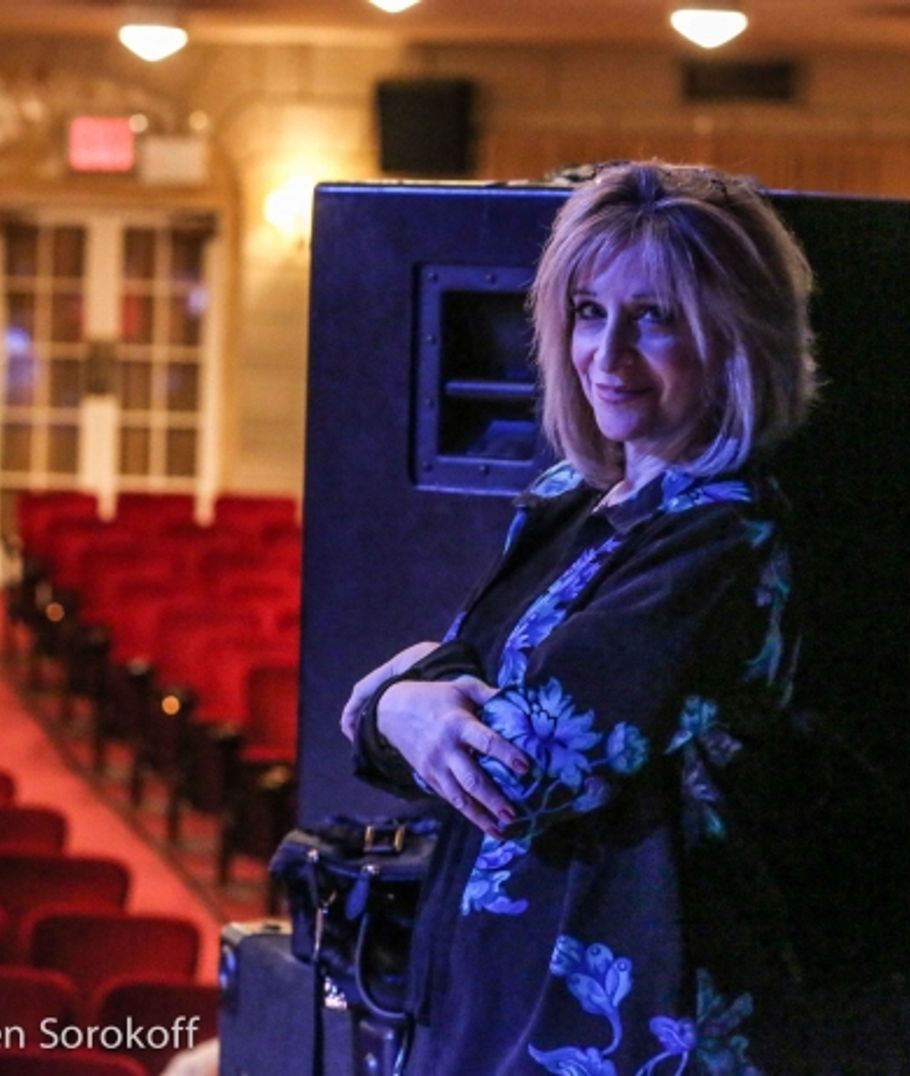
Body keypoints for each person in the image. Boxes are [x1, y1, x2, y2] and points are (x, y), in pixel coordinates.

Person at [342, 160, 819, 1074]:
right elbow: (441, 715)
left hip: (615, 1017)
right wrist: (406, 705)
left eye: (656, 319)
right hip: (493, 977)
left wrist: (391, 699)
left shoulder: (724, 535)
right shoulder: (570, 497)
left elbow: (517, 771)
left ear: (733, 338)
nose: (607, 356)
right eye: (590, 312)